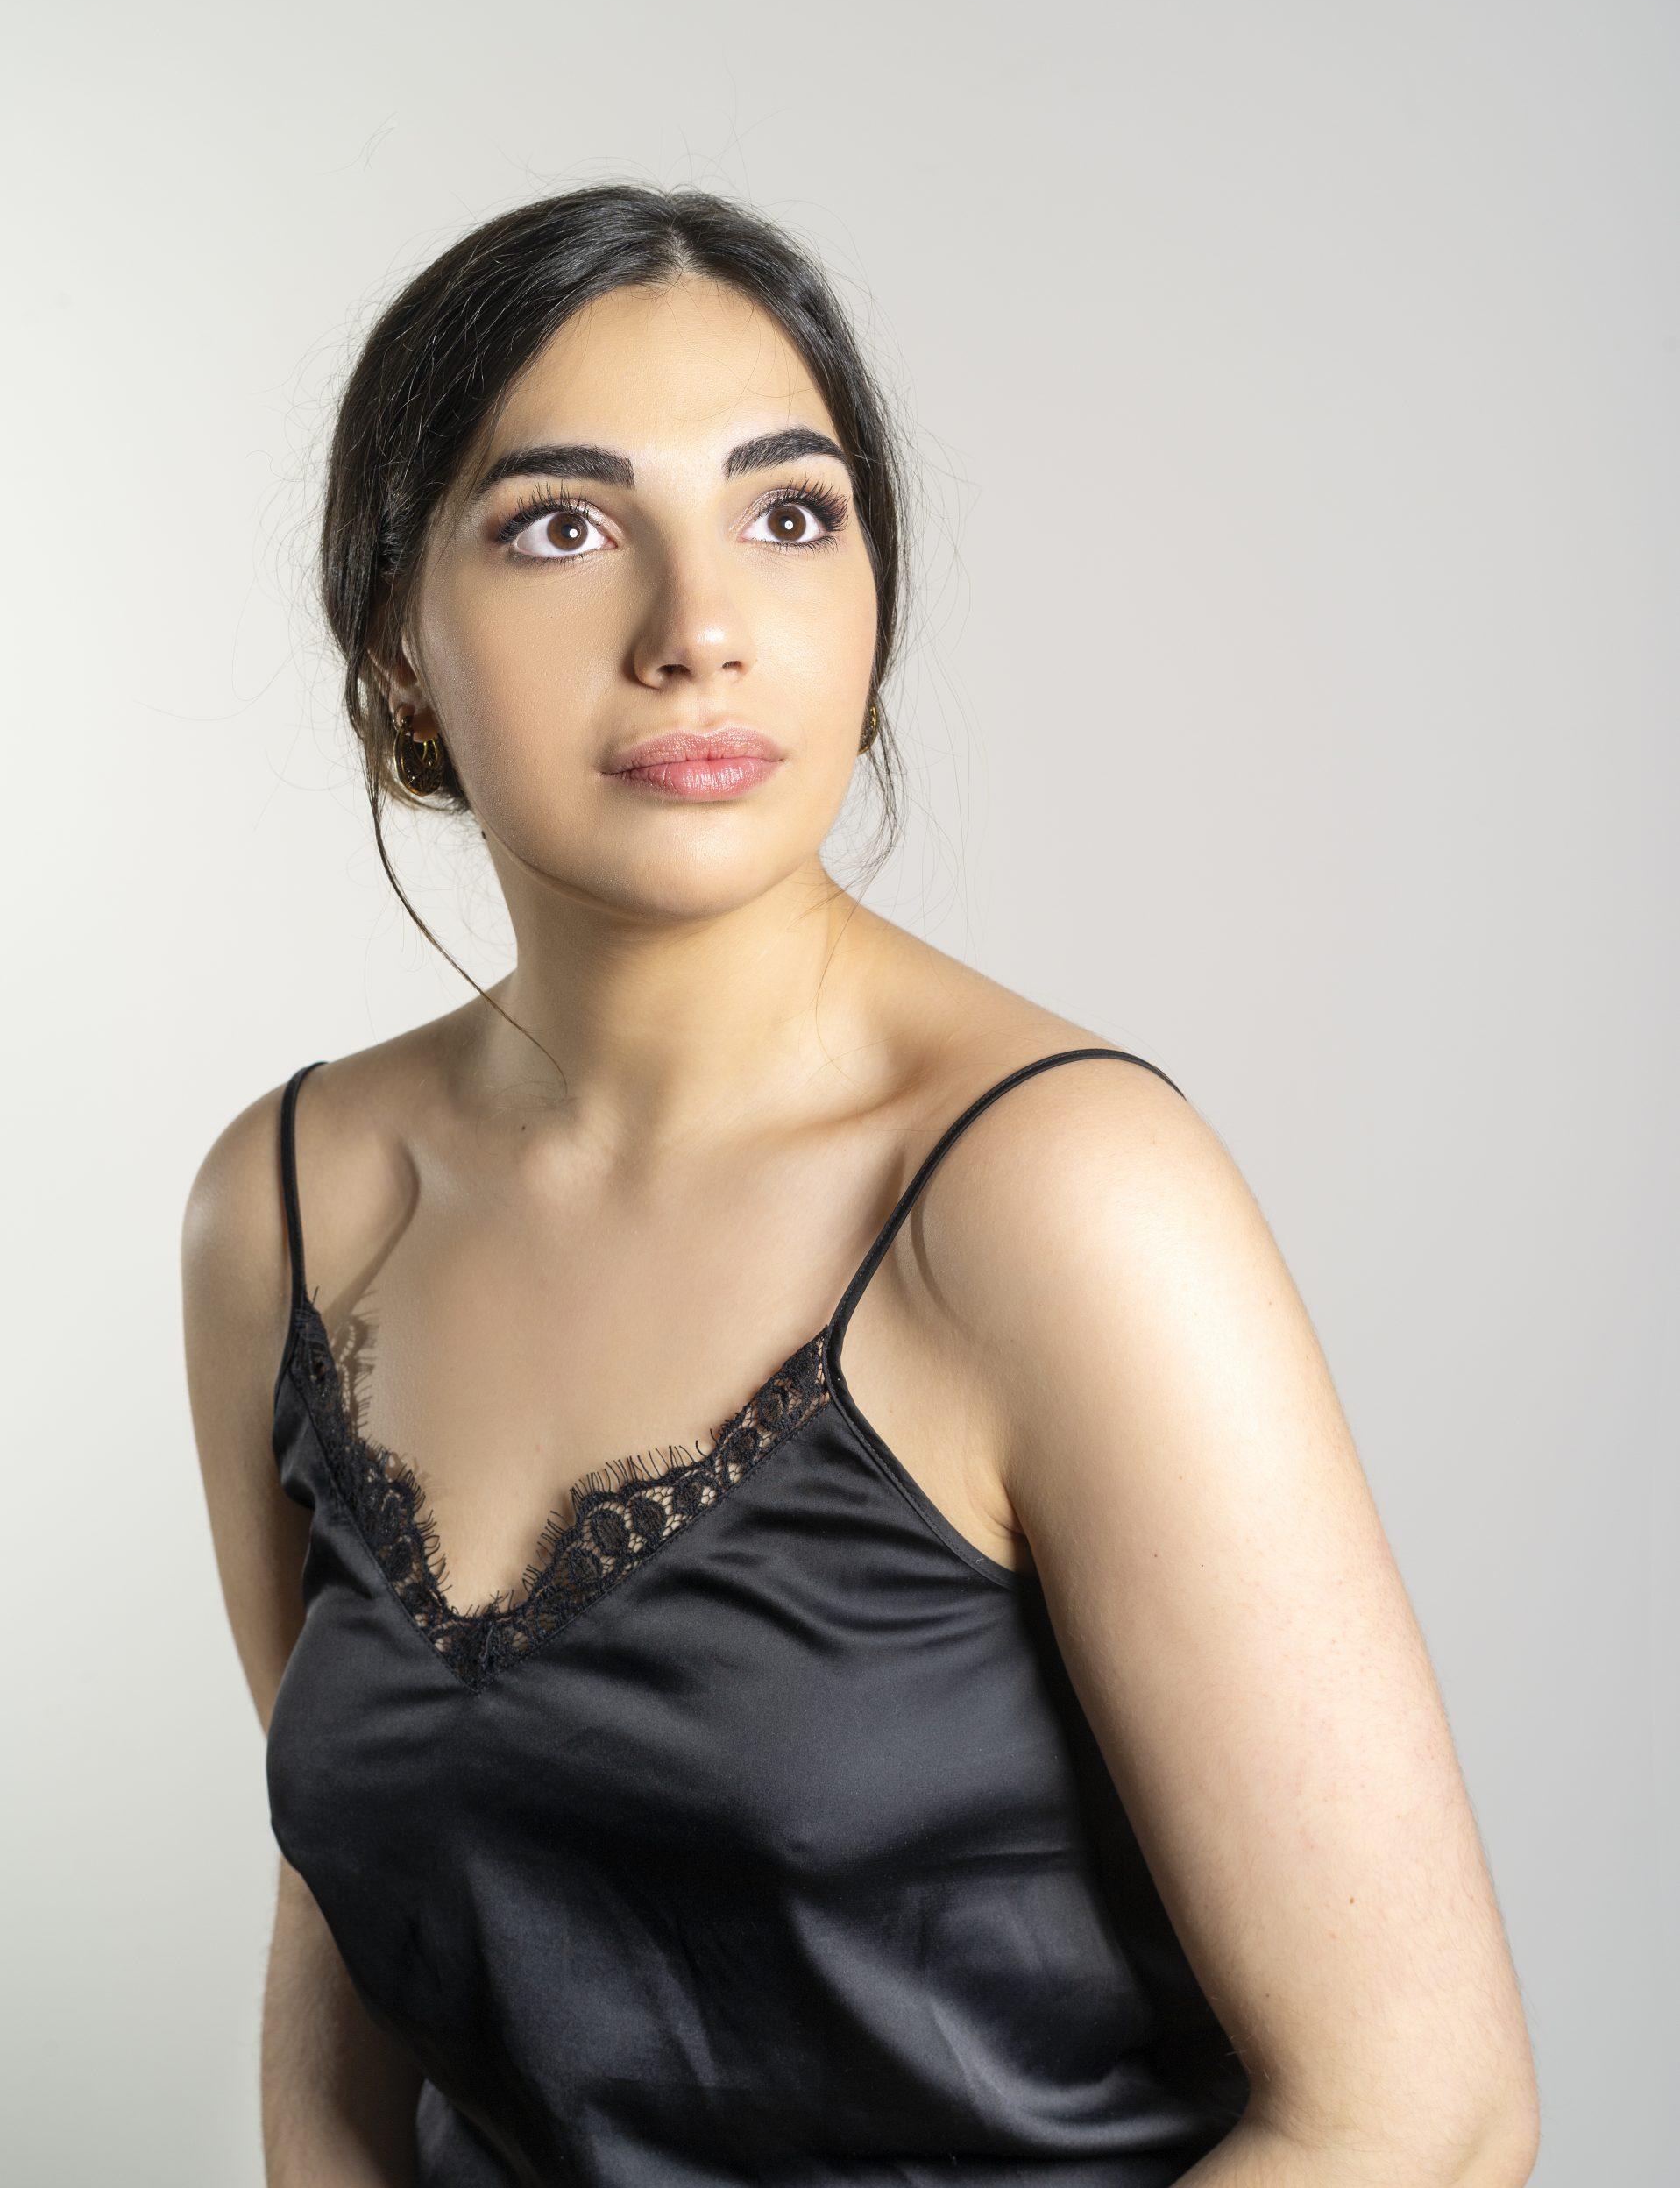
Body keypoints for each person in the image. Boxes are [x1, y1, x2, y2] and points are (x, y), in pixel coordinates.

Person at [181, 181, 1539, 2186]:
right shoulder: (287, 1208)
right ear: (397, 640)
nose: (697, 627)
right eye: (562, 524)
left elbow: (1418, 2115)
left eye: (787, 513)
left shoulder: (1059, 1195)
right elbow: (359, 1901)